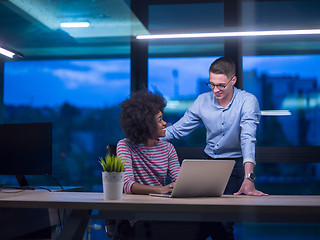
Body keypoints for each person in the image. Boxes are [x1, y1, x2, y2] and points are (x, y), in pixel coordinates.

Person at [161, 57, 268, 239]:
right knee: (199, 223)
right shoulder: (203, 101)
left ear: (233, 80)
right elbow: (178, 130)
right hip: (207, 165)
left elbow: (248, 138)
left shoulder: (248, 101)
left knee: (223, 224)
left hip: (232, 167)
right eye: (211, 84)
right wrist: (145, 134)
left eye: (221, 85)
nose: (215, 90)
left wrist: (249, 177)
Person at [116, 90, 227, 240]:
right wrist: (161, 190)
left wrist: (191, 185)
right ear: (145, 124)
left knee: (213, 222)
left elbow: (179, 181)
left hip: (165, 211)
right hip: (139, 216)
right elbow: (127, 185)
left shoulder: (168, 148)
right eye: (159, 119)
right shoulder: (125, 146)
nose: (165, 123)